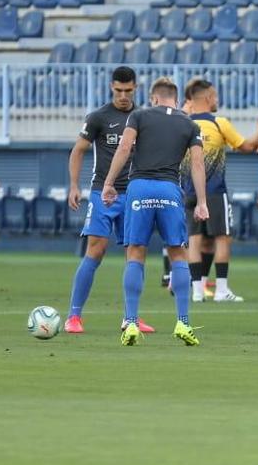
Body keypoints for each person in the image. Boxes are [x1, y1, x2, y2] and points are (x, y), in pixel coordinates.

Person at [102, 77, 209, 346]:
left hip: (139, 187)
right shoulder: (190, 123)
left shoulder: (139, 116)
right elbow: (197, 165)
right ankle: (183, 322)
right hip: (169, 189)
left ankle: (131, 322)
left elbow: (125, 148)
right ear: (174, 98)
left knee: (135, 251)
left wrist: (108, 183)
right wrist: (202, 202)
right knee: (178, 253)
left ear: (154, 98)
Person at [63, 67, 155, 335]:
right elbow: (78, 150)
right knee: (96, 248)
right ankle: (74, 317)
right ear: (111, 88)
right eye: (119, 91)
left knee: (136, 252)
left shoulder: (144, 118)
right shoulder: (98, 118)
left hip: (135, 194)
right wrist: (72, 185)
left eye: (128, 91)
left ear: (136, 88)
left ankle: (131, 318)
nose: (124, 96)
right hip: (102, 193)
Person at [180, 78, 258, 303]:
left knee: (195, 239)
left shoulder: (183, 123)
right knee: (223, 238)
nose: (217, 100)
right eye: (215, 96)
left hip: (188, 191)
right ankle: (221, 290)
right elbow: (246, 147)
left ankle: (197, 291)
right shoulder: (219, 123)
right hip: (215, 192)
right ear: (208, 98)